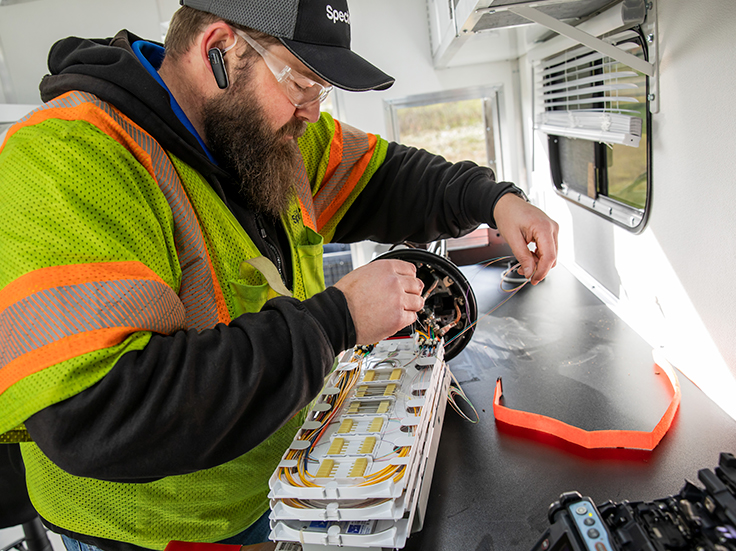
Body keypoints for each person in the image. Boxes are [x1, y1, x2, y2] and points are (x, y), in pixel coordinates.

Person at [0, 0, 559, 549]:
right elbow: (100, 414)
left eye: (321, 89)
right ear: (218, 50)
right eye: (301, 83)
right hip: (156, 530)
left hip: (279, 485)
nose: (313, 111)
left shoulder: (262, 135)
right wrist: (336, 321)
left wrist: (494, 199)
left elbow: (386, 177)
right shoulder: (71, 157)